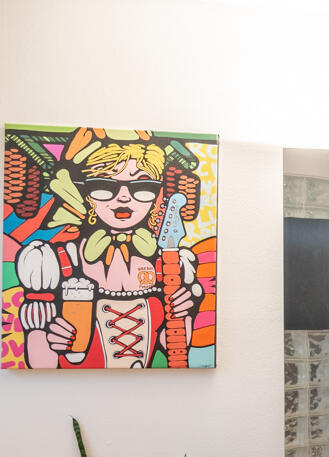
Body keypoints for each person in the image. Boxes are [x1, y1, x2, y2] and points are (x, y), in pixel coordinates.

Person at [14, 127, 203, 368]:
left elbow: (173, 351)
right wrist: (47, 338)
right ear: (85, 193)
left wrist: (183, 315)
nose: (124, 197)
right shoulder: (55, 262)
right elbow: (40, 364)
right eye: (105, 186)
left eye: (141, 188)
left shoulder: (166, 266)